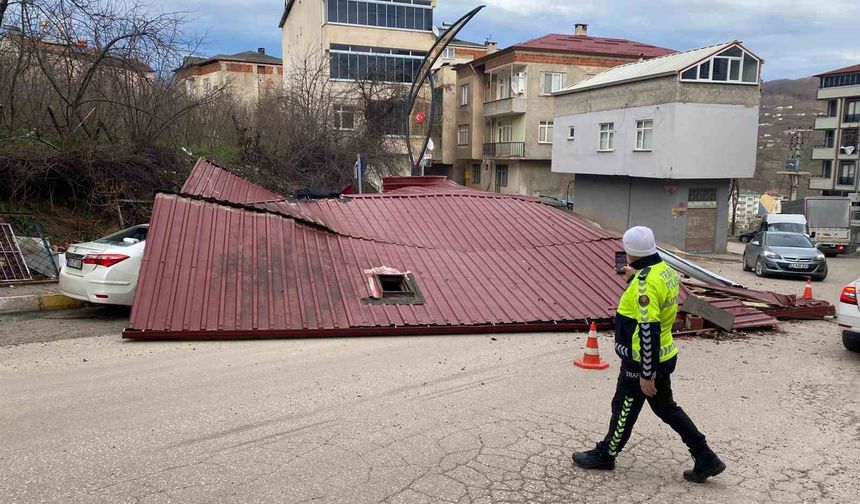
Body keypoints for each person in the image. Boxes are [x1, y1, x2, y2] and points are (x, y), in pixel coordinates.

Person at [572, 226, 725, 483]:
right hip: (663, 354)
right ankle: (705, 456)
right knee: (666, 408)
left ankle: (606, 454)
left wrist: (646, 372)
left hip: (642, 359)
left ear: (630, 252)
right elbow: (655, 300)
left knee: (624, 407)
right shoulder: (664, 271)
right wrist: (633, 279)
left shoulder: (644, 284)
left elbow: (647, 329)